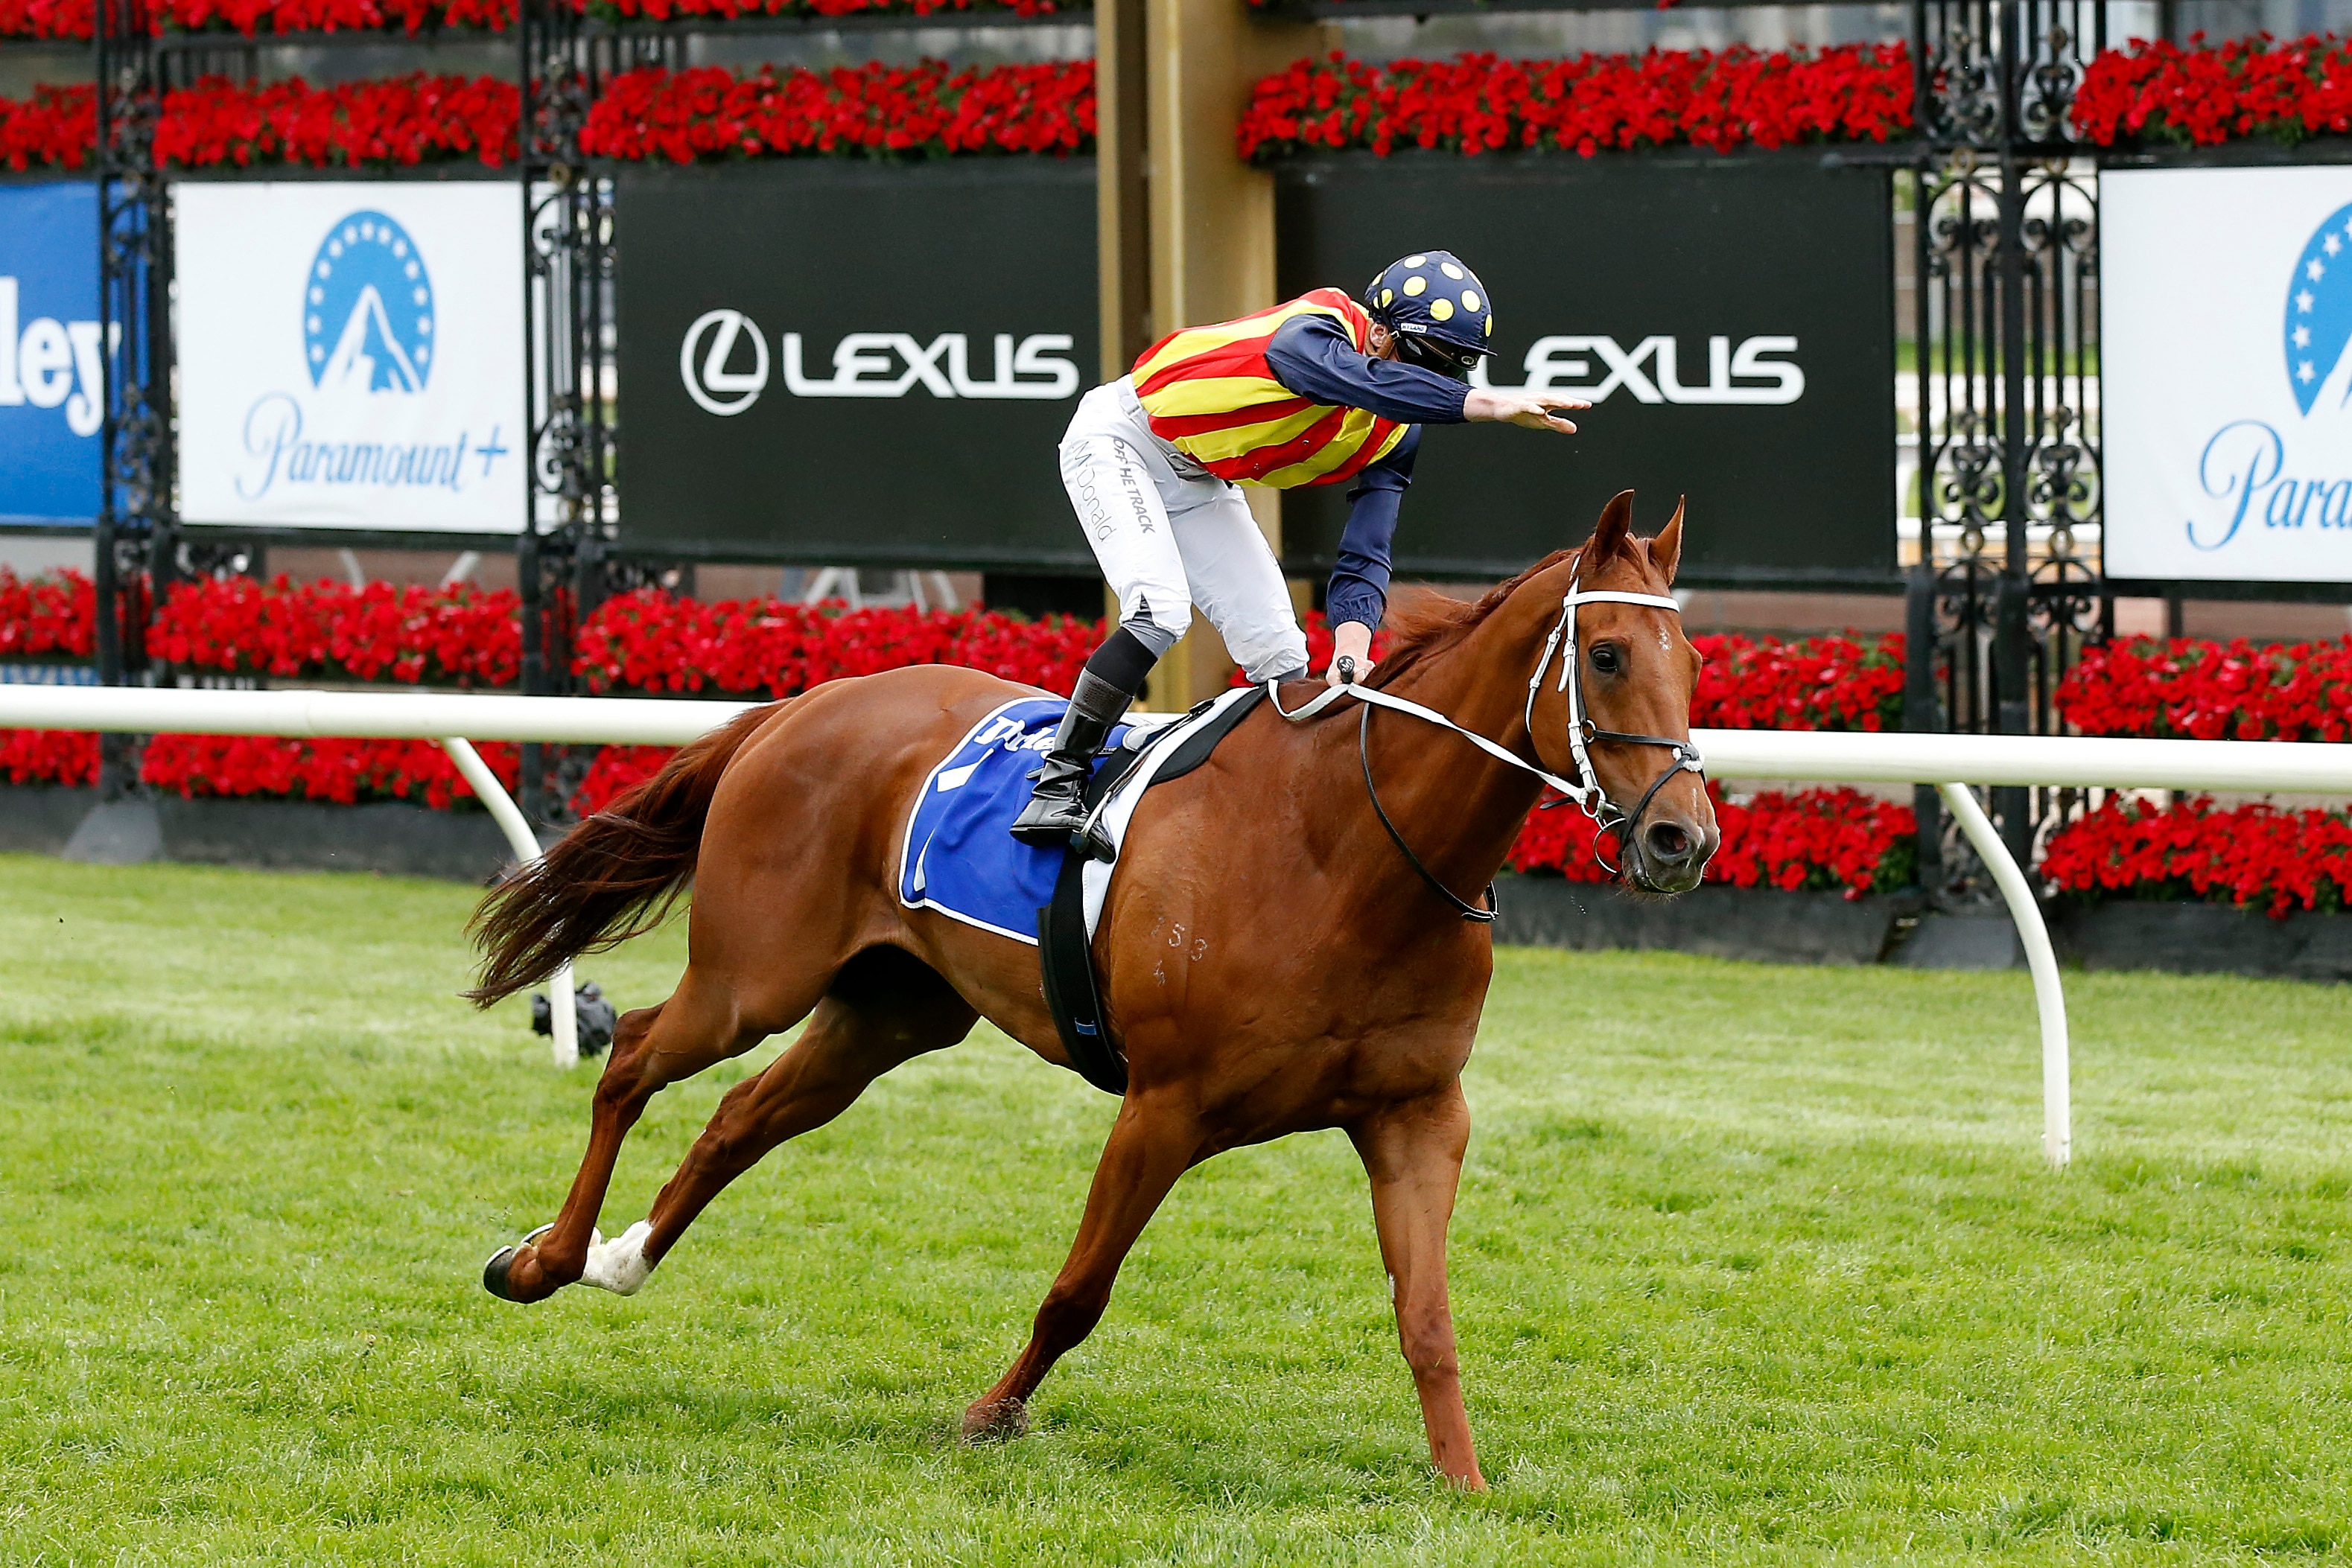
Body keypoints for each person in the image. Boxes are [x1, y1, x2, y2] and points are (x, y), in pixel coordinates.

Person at [1010, 250, 1589, 851]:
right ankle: (1058, 782)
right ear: (1381, 333)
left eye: (1455, 372)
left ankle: (1267, 820)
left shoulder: (1397, 434)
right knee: (1160, 609)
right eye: (1430, 365)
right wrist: (1488, 407)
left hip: (1199, 474)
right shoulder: (1317, 329)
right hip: (1122, 437)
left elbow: (1367, 547)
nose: (1438, 386)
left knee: (1284, 660)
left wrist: (1353, 642)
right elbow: (1354, 379)